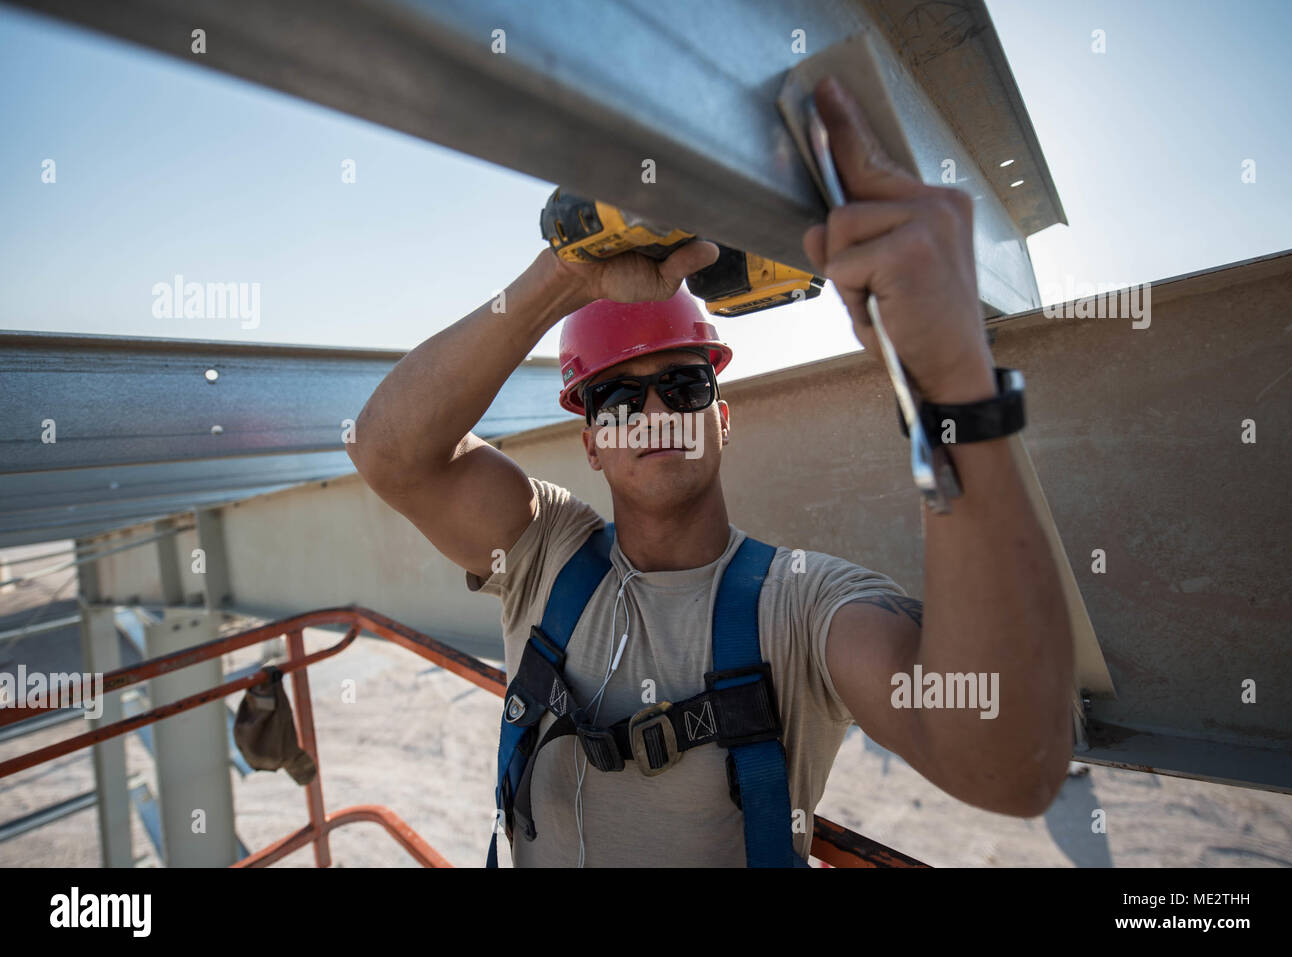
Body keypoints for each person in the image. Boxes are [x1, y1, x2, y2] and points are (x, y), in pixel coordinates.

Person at [347, 77, 1074, 867]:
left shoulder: (798, 607)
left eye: (684, 385)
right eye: (617, 397)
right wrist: (563, 276)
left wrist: (954, 384)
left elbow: (1009, 764)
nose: (653, 408)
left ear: (721, 417)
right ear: (589, 441)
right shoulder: (541, 552)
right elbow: (385, 449)